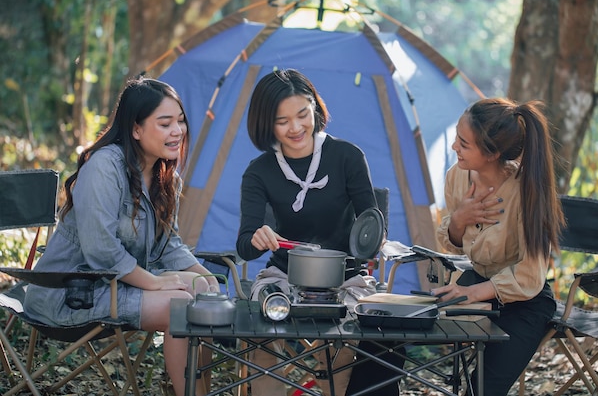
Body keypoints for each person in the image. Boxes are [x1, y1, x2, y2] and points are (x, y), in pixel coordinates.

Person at [23, 77, 219, 396]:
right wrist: (155, 283)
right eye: (165, 123)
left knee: (203, 295)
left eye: (180, 122)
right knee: (182, 306)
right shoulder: (104, 167)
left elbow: (170, 245)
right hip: (69, 293)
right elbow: (100, 250)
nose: (177, 131)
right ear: (136, 129)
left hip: (114, 288)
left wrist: (208, 279)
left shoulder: (166, 178)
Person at [236, 68, 404, 396]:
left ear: (315, 108)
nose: (297, 127)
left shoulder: (347, 157)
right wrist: (257, 239)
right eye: (283, 121)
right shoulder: (259, 172)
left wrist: (375, 239)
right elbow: (244, 246)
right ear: (266, 123)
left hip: (346, 279)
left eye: (302, 114)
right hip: (283, 277)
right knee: (265, 326)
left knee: (346, 331)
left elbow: (371, 223)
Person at [431, 97, 565, 395]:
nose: (454, 147)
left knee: (482, 390)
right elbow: (451, 247)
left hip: (524, 301)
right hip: (478, 282)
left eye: (464, 144)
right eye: (456, 137)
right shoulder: (457, 177)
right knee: (404, 331)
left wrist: (473, 292)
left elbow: (530, 274)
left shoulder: (526, 191)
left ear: (493, 153)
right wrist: (458, 221)